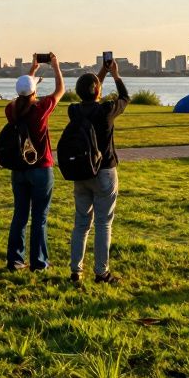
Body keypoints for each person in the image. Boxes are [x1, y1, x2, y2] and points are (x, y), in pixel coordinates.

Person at [68, 58, 129, 285]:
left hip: (81, 171)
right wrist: (115, 75)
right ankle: (101, 272)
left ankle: (76, 270)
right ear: (98, 92)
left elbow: (89, 97)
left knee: (81, 223)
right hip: (104, 171)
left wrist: (99, 74)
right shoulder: (106, 111)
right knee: (103, 223)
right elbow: (125, 98)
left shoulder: (74, 111)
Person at [4, 54, 64, 272]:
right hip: (41, 168)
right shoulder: (40, 109)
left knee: (19, 215)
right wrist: (55, 66)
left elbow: (22, 95)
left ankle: (15, 260)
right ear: (34, 92)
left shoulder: (11, 110)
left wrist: (31, 72)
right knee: (40, 217)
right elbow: (60, 91)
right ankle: (39, 263)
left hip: (19, 170)